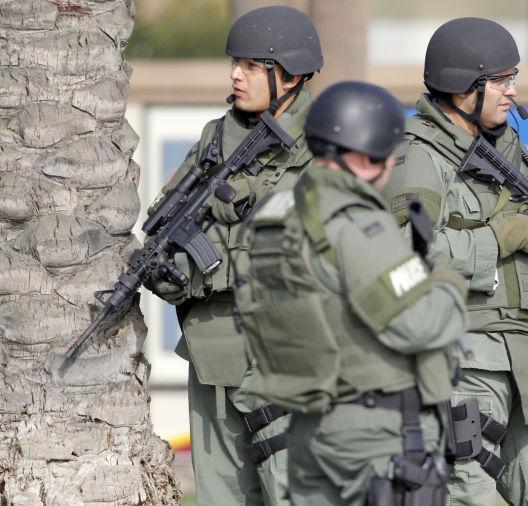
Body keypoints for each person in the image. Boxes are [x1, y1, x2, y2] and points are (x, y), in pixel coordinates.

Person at [382, 17, 528, 506]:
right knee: (466, 495)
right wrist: (503, 236)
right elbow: (405, 258)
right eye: (500, 80)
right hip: (463, 356)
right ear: (463, 86)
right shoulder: (418, 157)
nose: (511, 91)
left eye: (511, 78)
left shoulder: (511, 156)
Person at [232, 81, 469, 506]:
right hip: (377, 434)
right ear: (363, 156)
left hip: (309, 428)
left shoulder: (275, 215)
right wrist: (447, 288)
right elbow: (415, 324)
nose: (391, 164)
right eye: (387, 154)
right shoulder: (360, 226)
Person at [144, 6, 322, 505]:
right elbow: (165, 228)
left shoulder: (326, 143)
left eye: (248, 65)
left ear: (288, 73)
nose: (234, 75)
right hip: (212, 352)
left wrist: (206, 266)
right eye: (234, 63)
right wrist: (167, 269)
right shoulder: (215, 140)